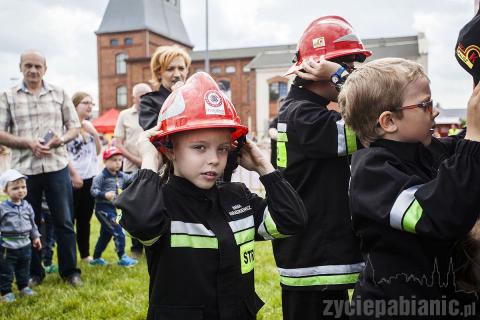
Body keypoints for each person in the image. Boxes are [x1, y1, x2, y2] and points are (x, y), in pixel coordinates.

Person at [114, 72, 307, 320]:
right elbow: (141, 224)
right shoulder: (159, 200)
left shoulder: (238, 197)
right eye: (199, 147)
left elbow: (293, 219)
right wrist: (150, 160)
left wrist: (264, 167)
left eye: (222, 148)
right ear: (169, 150)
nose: (214, 159)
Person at [340, 57, 480, 319]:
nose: (434, 111)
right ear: (389, 121)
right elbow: (438, 215)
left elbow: (464, 154)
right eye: (425, 104)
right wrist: (474, 137)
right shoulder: (372, 173)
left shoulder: (428, 150)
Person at [274, 16, 371, 319]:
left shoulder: (301, 111)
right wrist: (342, 78)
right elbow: (370, 126)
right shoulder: (303, 115)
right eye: (347, 66)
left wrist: (340, 75)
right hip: (315, 257)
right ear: (318, 69)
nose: (352, 73)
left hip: (318, 252)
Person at [0, 50, 82, 287]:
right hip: (25, 170)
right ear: (20, 67)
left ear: (45, 68)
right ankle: (34, 273)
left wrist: (61, 139)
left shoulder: (59, 93)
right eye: (28, 65)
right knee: (28, 222)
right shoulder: (7, 96)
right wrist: (27, 142)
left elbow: (74, 127)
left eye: (38, 66)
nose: (33, 70)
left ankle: (70, 272)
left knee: (65, 221)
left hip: (56, 165)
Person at [114, 83, 152, 259]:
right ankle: (136, 247)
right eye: (141, 95)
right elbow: (118, 144)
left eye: (147, 95)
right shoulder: (124, 115)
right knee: (133, 209)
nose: (144, 98)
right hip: (130, 169)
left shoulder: (155, 113)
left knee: (151, 206)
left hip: (153, 169)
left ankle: (152, 245)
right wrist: (138, 160)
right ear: (134, 97)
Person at [66, 92, 101, 263]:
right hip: (72, 179)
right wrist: (73, 175)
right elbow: (62, 154)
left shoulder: (88, 125)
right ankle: (69, 257)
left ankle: (85, 255)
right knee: (69, 220)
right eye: (85, 102)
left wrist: (94, 133)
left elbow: (98, 152)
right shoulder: (67, 126)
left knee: (85, 219)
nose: (89, 106)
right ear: (75, 105)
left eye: (91, 103)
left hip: (90, 178)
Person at [90, 146, 137, 267]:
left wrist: (142, 173)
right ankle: (122, 257)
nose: (118, 163)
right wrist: (104, 194)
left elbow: (131, 178)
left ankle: (96, 258)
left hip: (112, 209)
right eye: (114, 160)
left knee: (106, 234)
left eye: (120, 160)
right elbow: (93, 190)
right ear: (105, 161)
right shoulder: (101, 176)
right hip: (102, 209)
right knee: (118, 230)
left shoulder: (121, 175)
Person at [0, 169, 41, 302]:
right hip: (8, 246)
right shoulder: (2, 208)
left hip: (25, 245)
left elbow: (32, 223)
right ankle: (6, 291)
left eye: (23, 187)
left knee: (24, 267)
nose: (20, 190)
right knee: (6, 270)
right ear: (5, 191)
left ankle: (23, 287)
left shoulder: (27, 206)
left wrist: (36, 237)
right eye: (15, 188)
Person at [139, 45, 191, 130]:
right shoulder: (149, 102)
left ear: (187, 71)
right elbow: (156, 134)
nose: (177, 74)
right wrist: (175, 99)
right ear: (159, 73)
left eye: (181, 68)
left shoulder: (194, 97)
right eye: (170, 69)